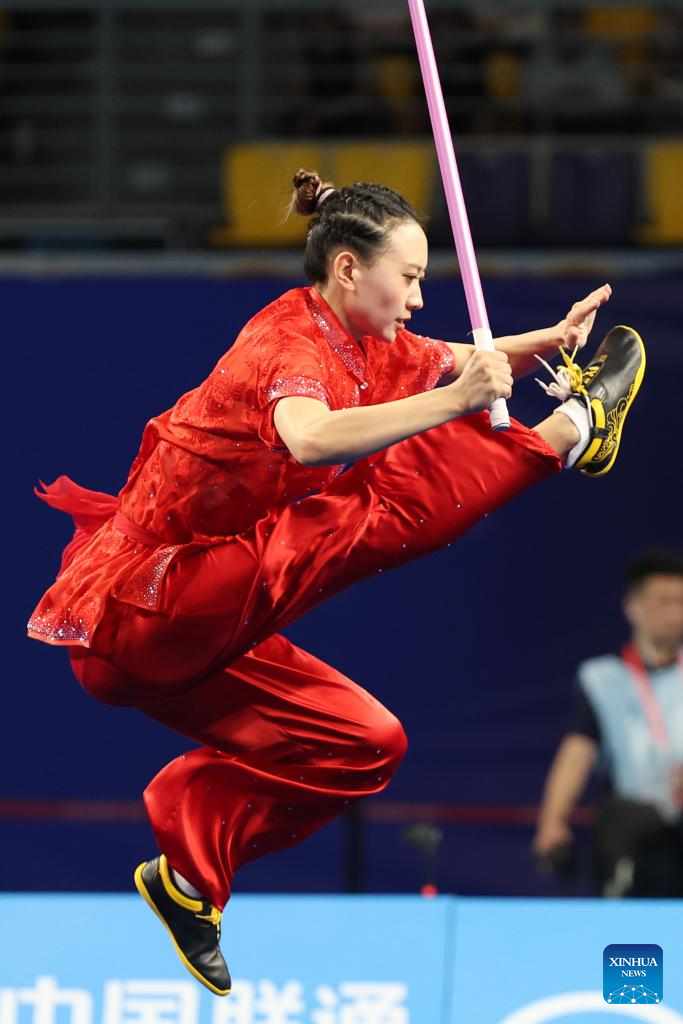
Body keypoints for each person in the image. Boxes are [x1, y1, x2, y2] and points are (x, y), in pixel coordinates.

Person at [27, 170, 644, 995]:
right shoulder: (285, 343)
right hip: (142, 607)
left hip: (189, 633)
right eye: (410, 277)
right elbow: (311, 438)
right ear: (349, 268)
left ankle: (187, 878)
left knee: (364, 742)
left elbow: (460, 359)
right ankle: (570, 432)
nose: (419, 298)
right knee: (353, 514)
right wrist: (459, 402)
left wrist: (547, 342)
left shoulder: (370, 339)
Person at [533, 551, 683, 897]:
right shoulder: (603, 679)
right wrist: (552, 822)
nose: (676, 614)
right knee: (620, 820)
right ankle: (620, 920)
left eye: (681, 603)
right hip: (637, 829)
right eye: (665, 602)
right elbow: (577, 752)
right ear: (634, 608)